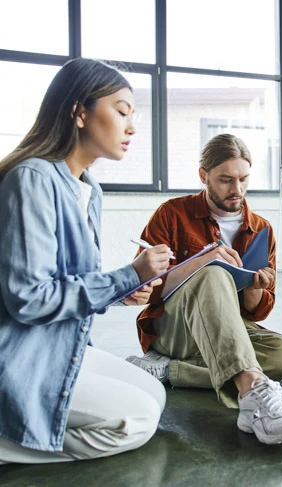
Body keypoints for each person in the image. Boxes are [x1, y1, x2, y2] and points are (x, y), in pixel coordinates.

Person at [0, 58, 170, 463]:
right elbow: (30, 298)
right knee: (139, 420)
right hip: (21, 352)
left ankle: (30, 428)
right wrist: (127, 274)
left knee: (155, 394)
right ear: (79, 112)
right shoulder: (33, 179)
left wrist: (124, 290)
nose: (131, 127)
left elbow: (74, 283)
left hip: (60, 343)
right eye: (122, 111)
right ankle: (12, 443)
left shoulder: (88, 189)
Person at [126, 133, 282, 445]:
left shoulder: (261, 229)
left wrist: (256, 286)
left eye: (243, 179)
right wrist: (203, 262)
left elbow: (257, 312)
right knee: (212, 273)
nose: (236, 189)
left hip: (222, 335)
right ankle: (253, 390)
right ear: (204, 176)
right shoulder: (171, 214)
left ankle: (169, 372)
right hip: (174, 329)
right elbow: (143, 287)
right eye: (226, 179)